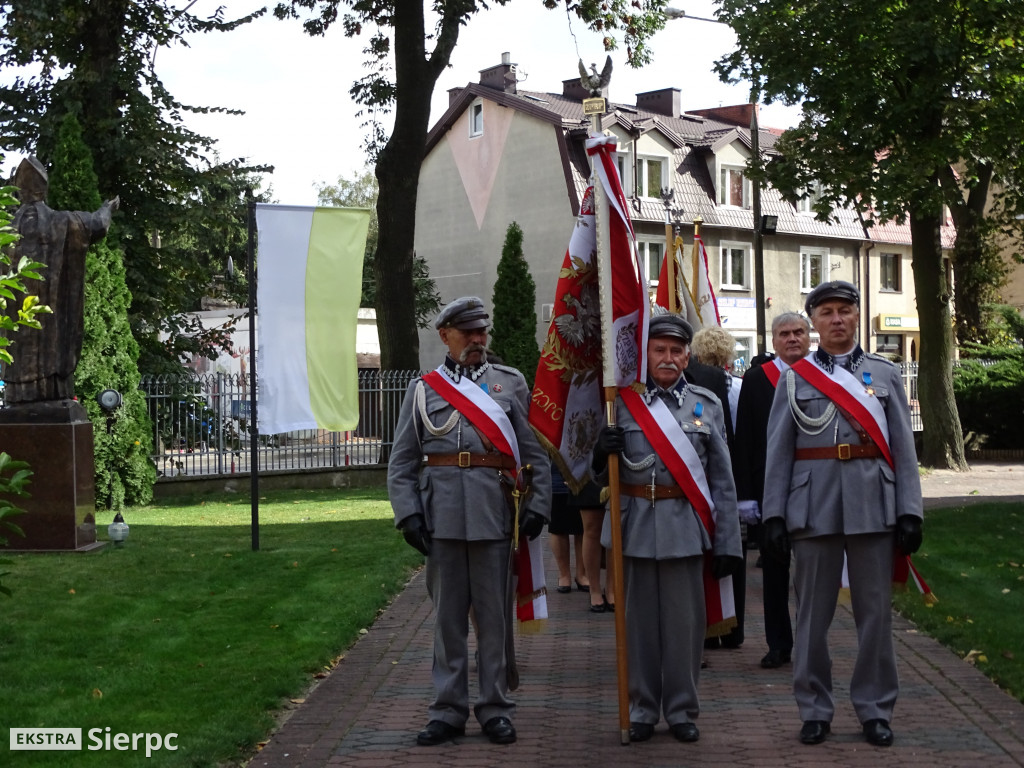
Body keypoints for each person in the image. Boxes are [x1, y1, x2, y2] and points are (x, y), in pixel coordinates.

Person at [762, 281, 923, 748]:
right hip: (814, 506)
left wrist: (910, 509)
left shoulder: (885, 373)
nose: (837, 319)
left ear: (857, 316)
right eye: (827, 312)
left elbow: (904, 449)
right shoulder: (794, 378)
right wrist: (774, 514)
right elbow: (779, 451)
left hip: (874, 504)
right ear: (813, 322)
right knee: (812, 615)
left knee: (875, 616)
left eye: (845, 311)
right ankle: (814, 708)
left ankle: (875, 709)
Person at [387, 296, 551, 746]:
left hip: (494, 517)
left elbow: (533, 453)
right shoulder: (423, 390)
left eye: (482, 332)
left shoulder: (509, 384)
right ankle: (448, 709)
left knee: (494, 620)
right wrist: (408, 516)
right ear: (445, 336)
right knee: (447, 622)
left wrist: (538, 505)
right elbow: (401, 463)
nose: (478, 340)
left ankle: (495, 707)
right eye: (468, 333)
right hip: (440, 520)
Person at [593, 313, 742, 744]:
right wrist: (601, 456)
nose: (668, 358)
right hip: (633, 527)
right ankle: (641, 709)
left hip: (683, 528)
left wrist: (728, 541)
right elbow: (598, 479)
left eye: (677, 351)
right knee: (637, 629)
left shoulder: (705, 404)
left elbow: (722, 481)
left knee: (684, 629)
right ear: (645, 355)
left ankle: (680, 709)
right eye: (659, 350)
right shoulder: (618, 404)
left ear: (687, 356)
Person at [4, 156, 118, 405]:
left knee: (18, 341)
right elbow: (98, 224)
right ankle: (49, 390)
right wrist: (108, 208)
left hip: (15, 327)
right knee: (50, 339)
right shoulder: (63, 221)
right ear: (43, 190)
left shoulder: (5, 230)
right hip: (50, 324)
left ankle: (19, 394)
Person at [732, 312, 811, 669]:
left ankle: (811, 642)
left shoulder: (824, 376)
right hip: (770, 491)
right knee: (775, 571)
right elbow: (745, 438)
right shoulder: (756, 379)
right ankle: (779, 642)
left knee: (812, 572)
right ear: (773, 340)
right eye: (784, 334)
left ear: (809, 337)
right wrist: (746, 497)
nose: (792, 339)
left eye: (798, 332)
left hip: (814, 489)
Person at [690, 325, 745, 650]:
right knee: (728, 547)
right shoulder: (733, 385)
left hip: (709, 473)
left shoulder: (708, 385)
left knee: (714, 549)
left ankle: (715, 624)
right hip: (729, 472)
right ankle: (731, 626)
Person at [548, 464, 587, 593]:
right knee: (558, 527)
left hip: (583, 473)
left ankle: (581, 574)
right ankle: (564, 575)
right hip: (556, 472)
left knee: (583, 528)